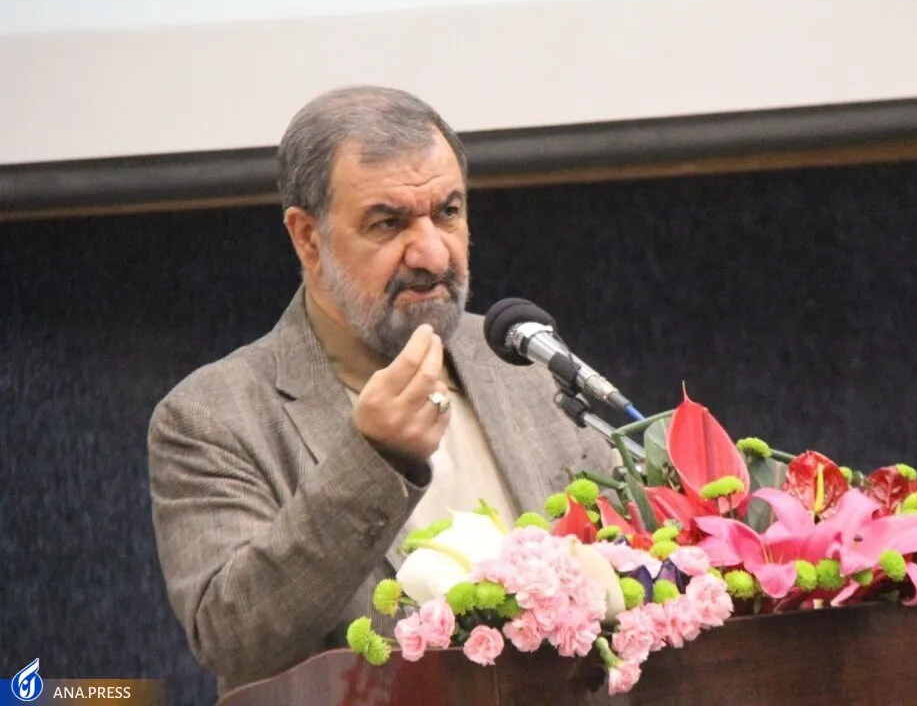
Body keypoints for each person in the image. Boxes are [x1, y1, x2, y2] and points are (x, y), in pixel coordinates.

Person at [147, 85, 613, 693]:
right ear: (307, 238)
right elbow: (234, 634)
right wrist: (375, 458)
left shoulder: (520, 360)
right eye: (388, 223)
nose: (432, 254)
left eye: (447, 212)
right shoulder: (212, 417)